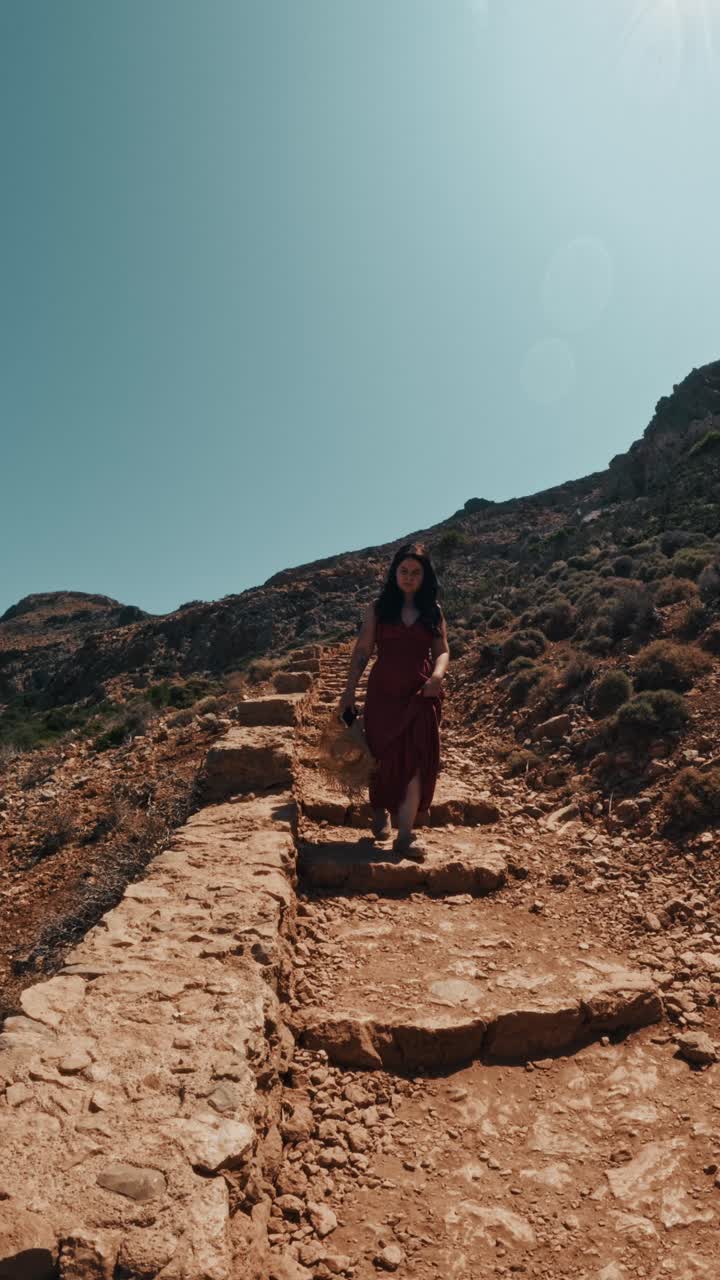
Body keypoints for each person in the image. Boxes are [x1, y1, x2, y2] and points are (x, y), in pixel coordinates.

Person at [338, 543, 449, 859]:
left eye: (416, 572)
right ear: (394, 573)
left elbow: (441, 651)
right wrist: (348, 693)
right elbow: (362, 651)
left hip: (421, 694)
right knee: (382, 758)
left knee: (417, 761)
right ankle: (379, 810)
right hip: (383, 695)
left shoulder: (433, 612)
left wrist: (437, 677)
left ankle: (406, 835)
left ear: (425, 576)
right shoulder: (378, 609)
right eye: (404, 571)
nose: (409, 577)